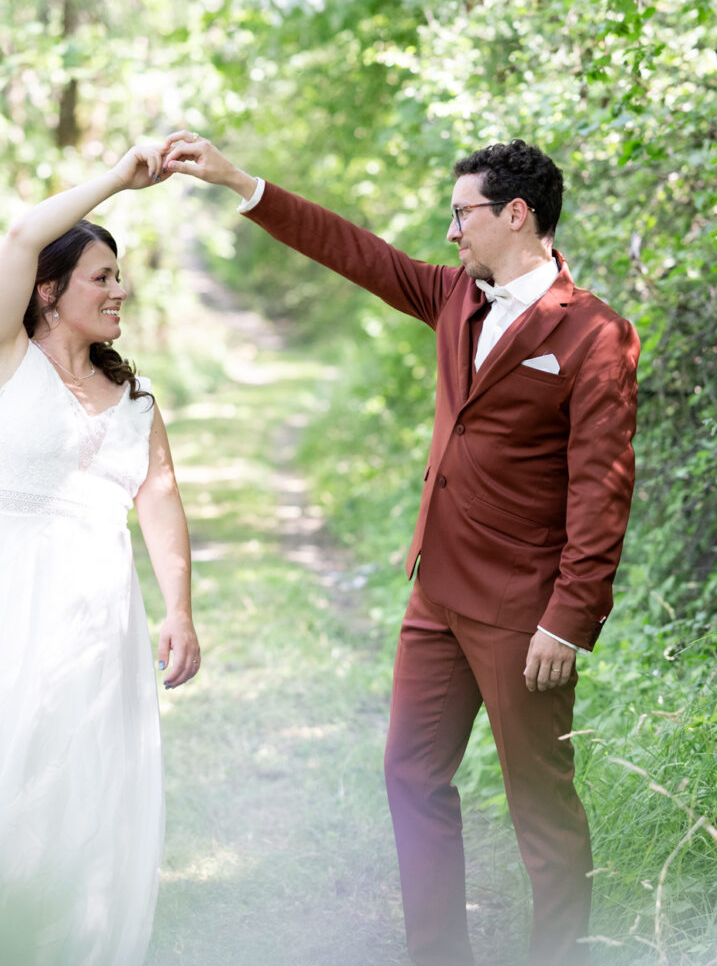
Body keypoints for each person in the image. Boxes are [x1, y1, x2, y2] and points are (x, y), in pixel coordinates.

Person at [162, 132, 637, 966]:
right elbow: (354, 251)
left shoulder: (597, 336)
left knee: (542, 812)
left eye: (463, 215)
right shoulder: (456, 297)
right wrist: (240, 181)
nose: (451, 233)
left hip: (523, 616)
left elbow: (602, 489)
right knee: (411, 777)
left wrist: (567, 621)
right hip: (436, 597)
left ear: (516, 214)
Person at [0, 142, 199, 966]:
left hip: (103, 610)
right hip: (9, 597)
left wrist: (179, 610)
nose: (119, 290)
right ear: (50, 291)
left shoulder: (134, 399)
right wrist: (118, 178)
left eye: (119, 277)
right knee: (7, 772)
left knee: (88, 786)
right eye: (101, 277)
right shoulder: (0, 361)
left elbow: (160, 497)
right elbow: (16, 238)